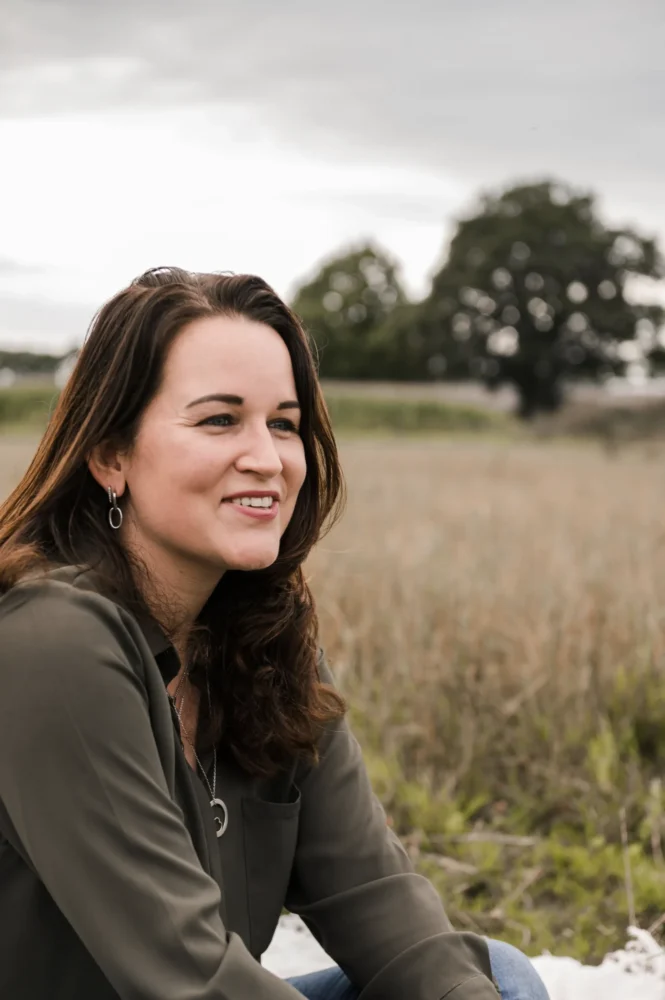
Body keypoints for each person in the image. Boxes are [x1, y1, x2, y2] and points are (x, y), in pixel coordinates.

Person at [0, 267, 549, 1000]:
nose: (267, 458)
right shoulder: (47, 642)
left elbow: (376, 897)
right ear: (111, 456)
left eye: (283, 423)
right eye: (219, 420)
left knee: (489, 978)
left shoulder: (262, 646)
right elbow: (188, 976)